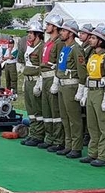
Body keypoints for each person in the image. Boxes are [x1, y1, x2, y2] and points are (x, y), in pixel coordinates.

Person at [80, 24, 105, 167]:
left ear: (101, 40)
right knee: (92, 126)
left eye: (94, 38)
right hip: (91, 91)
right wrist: (85, 93)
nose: (90, 40)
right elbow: (89, 75)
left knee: (103, 127)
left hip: (101, 93)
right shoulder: (93, 55)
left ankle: (103, 156)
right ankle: (92, 153)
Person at [55, 20, 87, 159]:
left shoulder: (76, 49)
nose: (61, 32)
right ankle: (68, 144)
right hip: (63, 84)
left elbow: (82, 71)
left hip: (71, 85)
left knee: (74, 118)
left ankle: (76, 146)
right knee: (65, 117)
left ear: (71, 33)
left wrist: (81, 88)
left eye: (64, 30)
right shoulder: (64, 47)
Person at [39, 14, 64, 152]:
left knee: (55, 111)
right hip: (45, 77)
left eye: (49, 24)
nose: (46, 26)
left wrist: (56, 80)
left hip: (53, 77)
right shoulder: (48, 41)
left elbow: (59, 63)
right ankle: (49, 138)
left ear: (55, 27)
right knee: (47, 110)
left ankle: (58, 140)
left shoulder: (59, 43)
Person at [19, 21, 45, 147]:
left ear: (38, 34)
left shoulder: (41, 47)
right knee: (30, 109)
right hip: (28, 79)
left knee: (37, 109)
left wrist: (39, 83)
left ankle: (38, 135)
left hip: (36, 80)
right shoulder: (30, 46)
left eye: (31, 33)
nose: (29, 35)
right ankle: (33, 133)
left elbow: (41, 66)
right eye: (28, 33)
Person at [78, 24, 95, 145]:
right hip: (83, 81)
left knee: (89, 112)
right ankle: (85, 133)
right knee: (83, 111)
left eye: (83, 33)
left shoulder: (91, 49)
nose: (80, 35)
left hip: (89, 82)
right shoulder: (83, 47)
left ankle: (88, 134)